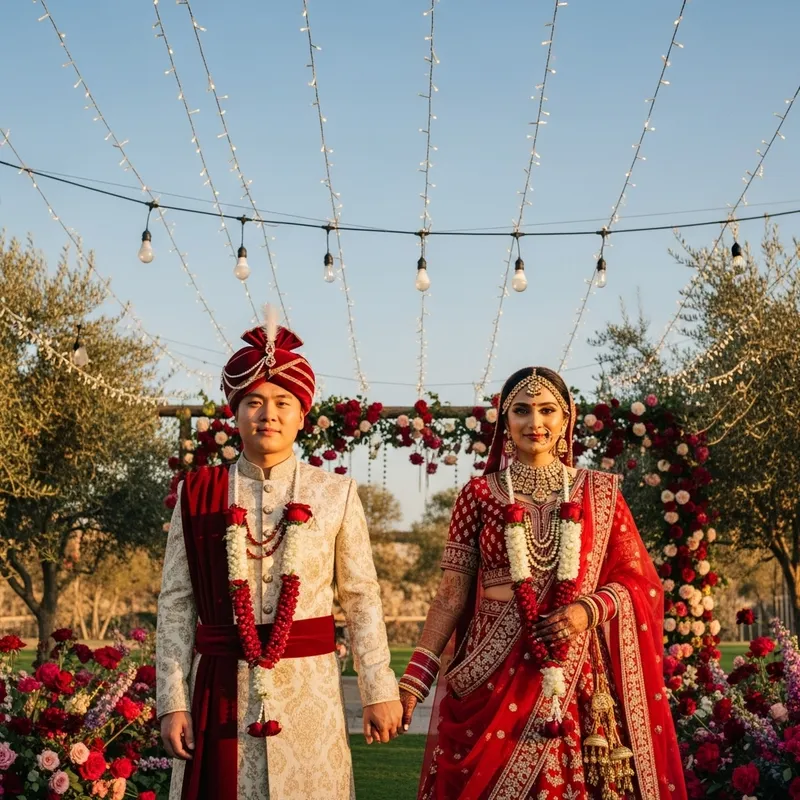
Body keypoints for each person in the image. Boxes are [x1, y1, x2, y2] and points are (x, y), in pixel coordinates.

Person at [399, 367, 686, 800]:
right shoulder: (477, 494)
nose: (535, 423)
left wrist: (586, 610)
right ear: (504, 422)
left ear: (566, 419)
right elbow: (451, 595)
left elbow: (637, 581)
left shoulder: (599, 492)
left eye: (548, 410)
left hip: (574, 665)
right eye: (522, 410)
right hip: (490, 670)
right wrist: (415, 678)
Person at [157, 313, 402, 800]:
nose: (267, 413)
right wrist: (171, 701)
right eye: (253, 401)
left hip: (310, 694)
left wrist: (379, 686)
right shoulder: (199, 493)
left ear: (301, 415)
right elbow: (176, 603)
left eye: (282, 402)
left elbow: (361, 597)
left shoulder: (335, 493)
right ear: (236, 412)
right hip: (220, 691)